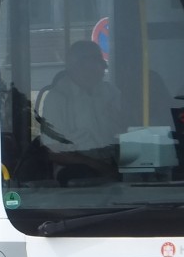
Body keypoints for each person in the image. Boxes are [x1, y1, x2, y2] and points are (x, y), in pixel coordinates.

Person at [40, 40, 123, 182]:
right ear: (76, 66)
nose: (102, 69)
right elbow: (54, 152)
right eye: (95, 63)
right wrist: (98, 166)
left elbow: (127, 129)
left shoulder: (110, 92)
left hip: (115, 161)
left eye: (101, 63)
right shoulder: (56, 99)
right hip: (77, 168)